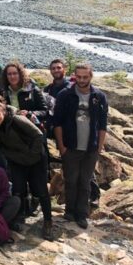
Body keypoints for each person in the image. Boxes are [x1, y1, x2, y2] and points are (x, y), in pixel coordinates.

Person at [0, 99, 53, 240]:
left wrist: (31, 156)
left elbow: (38, 135)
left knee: (41, 190)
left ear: (4, 112)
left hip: (36, 159)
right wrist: (13, 158)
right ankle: (20, 217)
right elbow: (1, 146)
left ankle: (48, 221)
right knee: (18, 189)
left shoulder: (17, 120)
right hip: (16, 160)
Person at [52, 63, 107, 229]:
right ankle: (70, 211)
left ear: (91, 76)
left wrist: (99, 147)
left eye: (85, 77)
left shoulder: (99, 96)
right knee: (71, 180)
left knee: (85, 182)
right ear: (74, 76)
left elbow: (103, 124)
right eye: (79, 77)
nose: (82, 80)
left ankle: (82, 214)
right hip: (70, 146)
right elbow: (58, 123)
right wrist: (61, 146)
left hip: (91, 147)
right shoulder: (65, 95)